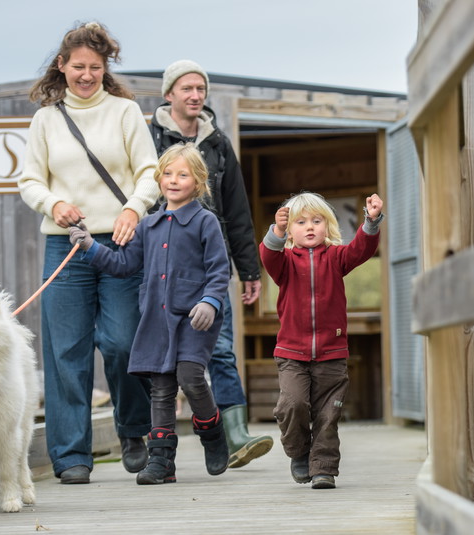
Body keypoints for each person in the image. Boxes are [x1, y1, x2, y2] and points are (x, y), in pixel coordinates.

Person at [18, 21, 156, 485]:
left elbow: (150, 173)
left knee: (122, 343)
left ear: (105, 69)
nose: (86, 75)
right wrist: (52, 203)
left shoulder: (124, 113)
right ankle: (71, 455)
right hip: (66, 244)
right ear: (62, 66)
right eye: (78, 66)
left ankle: (133, 429)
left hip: (118, 243)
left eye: (95, 67)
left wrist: (134, 210)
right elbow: (30, 179)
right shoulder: (45, 119)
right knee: (66, 353)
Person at [69, 143, 232, 484]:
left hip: (195, 318)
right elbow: (124, 264)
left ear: (198, 182)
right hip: (157, 320)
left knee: (190, 377)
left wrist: (211, 302)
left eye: (183, 174)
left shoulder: (206, 222)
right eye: (168, 174)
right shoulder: (148, 225)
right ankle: (161, 462)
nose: (173, 180)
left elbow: (219, 271)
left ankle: (213, 431)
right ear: (159, 180)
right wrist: (91, 246)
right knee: (160, 387)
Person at [150, 59, 273, 468]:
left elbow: (236, 210)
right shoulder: (149, 138)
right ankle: (150, 441)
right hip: (163, 265)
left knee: (220, 350)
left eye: (200, 89)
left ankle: (236, 434)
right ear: (169, 94)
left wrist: (249, 269)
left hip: (211, 261)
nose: (195, 95)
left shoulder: (218, 142)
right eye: (186, 88)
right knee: (157, 362)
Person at [259, 191, 384, 489]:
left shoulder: (337, 258)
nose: (310, 227)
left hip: (332, 352)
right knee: (293, 404)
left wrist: (371, 220)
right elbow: (267, 255)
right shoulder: (285, 262)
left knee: (329, 413)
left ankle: (324, 468)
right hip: (292, 353)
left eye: (317, 221)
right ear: (290, 231)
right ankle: (299, 452)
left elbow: (361, 250)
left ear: (328, 226)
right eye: (301, 222)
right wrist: (275, 231)